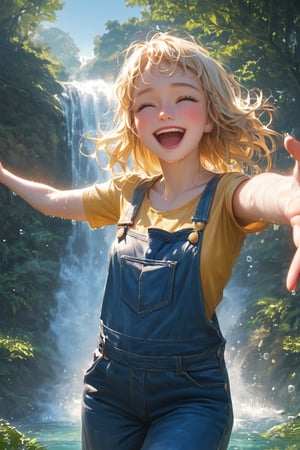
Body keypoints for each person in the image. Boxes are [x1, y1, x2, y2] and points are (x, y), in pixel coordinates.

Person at [1, 32, 300, 450]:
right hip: (107, 393)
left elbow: (263, 193)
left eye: (183, 98)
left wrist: (292, 199)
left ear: (211, 115)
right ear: (135, 124)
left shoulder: (228, 195)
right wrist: (3, 172)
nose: (164, 112)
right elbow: (52, 200)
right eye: (146, 104)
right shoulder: (127, 193)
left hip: (191, 396)